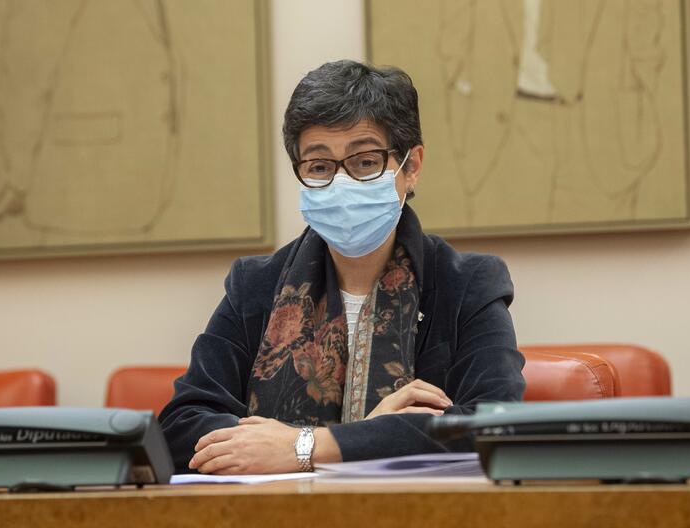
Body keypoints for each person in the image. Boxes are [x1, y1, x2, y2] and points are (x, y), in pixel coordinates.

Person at [159, 60, 525, 475]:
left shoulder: (470, 284)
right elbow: (181, 427)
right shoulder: (255, 284)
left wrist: (307, 446)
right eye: (319, 167)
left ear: (411, 167)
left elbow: (493, 424)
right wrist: (371, 435)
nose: (341, 183)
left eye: (365, 162)